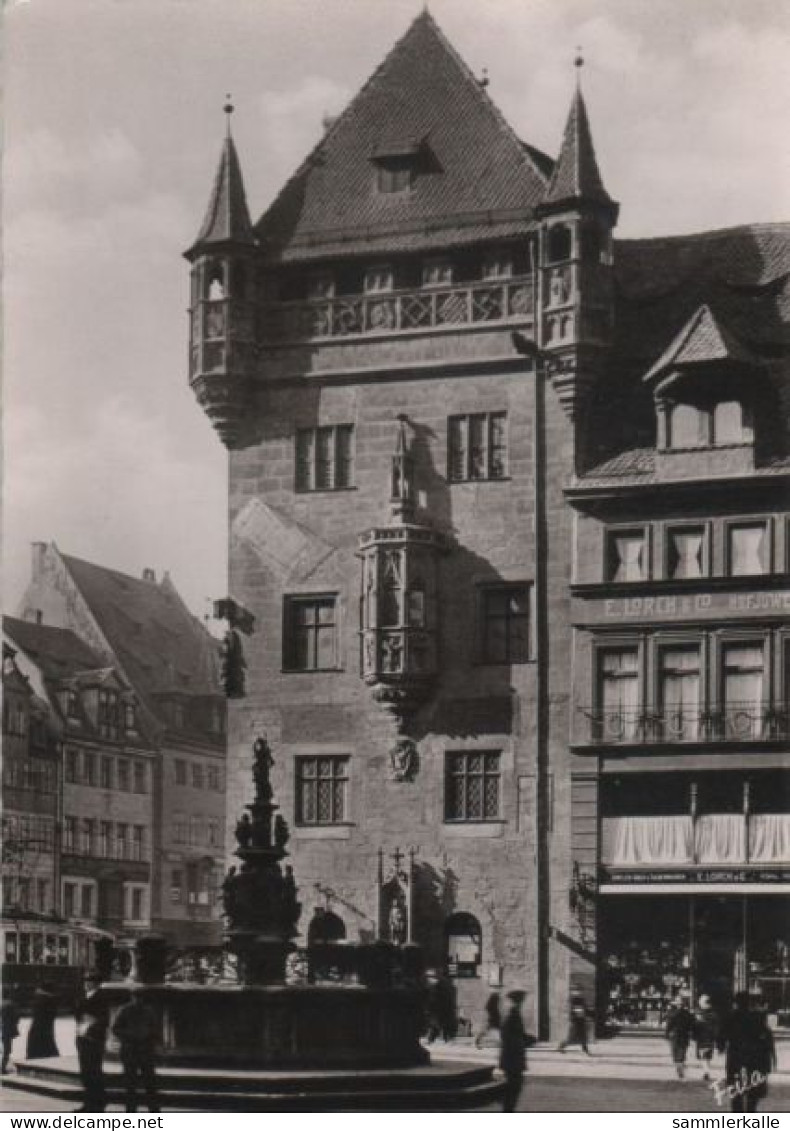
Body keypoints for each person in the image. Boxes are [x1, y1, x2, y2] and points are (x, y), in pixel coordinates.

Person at [717, 991, 776, 1113]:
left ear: (736, 1003)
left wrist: (721, 1046)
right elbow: (767, 1037)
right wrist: (771, 1056)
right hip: (753, 1056)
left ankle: (737, 1113)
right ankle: (751, 1111)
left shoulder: (730, 1017)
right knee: (753, 1087)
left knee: (735, 1085)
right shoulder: (757, 1017)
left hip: (735, 1055)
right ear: (749, 1003)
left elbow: (721, 1035)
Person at [112, 989, 160, 1113]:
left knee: (149, 1083)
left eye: (140, 998)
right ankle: (131, 1110)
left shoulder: (149, 1011)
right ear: (132, 998)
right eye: (136, 998)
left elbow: (155, 1029)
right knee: (130, 1083)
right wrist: (130, 1035)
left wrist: (148, 1036)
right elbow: (115, 1028)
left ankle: (153, 1109)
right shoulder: (124, 1010)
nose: (138, 1000)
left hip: (145, 1051)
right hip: (130, 1050)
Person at [74, 974, 109, 1112]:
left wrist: (91, 1028)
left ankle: (97, 1103)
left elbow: (104, 1019)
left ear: (96, 983)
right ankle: (89, 1103)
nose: (86, 984)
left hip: (94, 1039)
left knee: (94, 1071)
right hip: (83, 1037)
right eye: (85, 981)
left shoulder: (101, 997)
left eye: (89, 981)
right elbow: (78, 1014)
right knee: (86, 1072)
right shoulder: (85, 996)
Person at [499, 990, 527, 1112]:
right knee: (513, 1088)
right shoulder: (512, 1015)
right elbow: (507, 1036)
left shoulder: (514, 1015)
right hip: (512, 1059)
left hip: (513, 1058)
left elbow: (517, 1034)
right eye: (520, 1001)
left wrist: (526, 1039)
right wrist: (522, 1041)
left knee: (514, 1088)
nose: (521, 1004)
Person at [26, 984, 59, 1059]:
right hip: (46, 1032)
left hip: (38, 1032)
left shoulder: (41, 1001)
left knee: (37, 1055)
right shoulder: (51, 1002)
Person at [666, 997, 695, 1080]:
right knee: (681, 1053)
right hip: (684, 1035)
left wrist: (667, 1034)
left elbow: (669, 1025)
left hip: (674, 1036)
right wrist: (692, 1033)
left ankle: (679, 1068)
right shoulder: (688, 1014)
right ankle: (680, 1068)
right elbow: (692, 1025)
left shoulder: (672, 1013)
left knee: (675, 1053)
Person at [558, 988, 591, 1054]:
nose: (578, 993)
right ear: (573, 992)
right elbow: (570, 1010)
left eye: (579, 991)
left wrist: (586, 1015)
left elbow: (585, 1009)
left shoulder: (582, 1000)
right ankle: (561, 1047)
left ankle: (585, 1049)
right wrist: (572, 1017)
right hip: (575, 1021)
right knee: (571, 1037)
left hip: (581, 1020)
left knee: (583, 1036)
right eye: (576, 991)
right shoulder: (572, 1000)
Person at [694, 994, 718, 1081]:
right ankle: (706, 1071)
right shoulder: (713, 1013)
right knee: (706, 1056)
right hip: (709, 1038)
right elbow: (716, 1027)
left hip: (702, 1038)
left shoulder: (700, 1013)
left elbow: (696, 1026)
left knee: (703, 1055)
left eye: (701, 1001)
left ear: (704, 1003)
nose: (700, 1003)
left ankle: (706, 1072)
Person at [1, 989, 20, 1074]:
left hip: (3, 1028)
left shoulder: (2, 1004)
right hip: (8, 1029)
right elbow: (16, 1016)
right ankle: (3, 1067)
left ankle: (4, 1066)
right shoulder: (10, 1004)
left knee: (6, 1049)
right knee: (7, 1049)